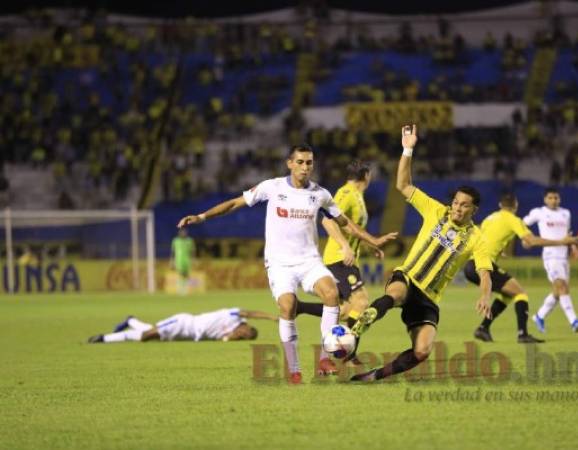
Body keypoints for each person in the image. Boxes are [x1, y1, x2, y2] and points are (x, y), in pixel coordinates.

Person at [177, 144, 397, 383]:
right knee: (287, 306)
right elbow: (234, 203)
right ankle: (294, 370)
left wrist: (372, 241)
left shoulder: (320, 194)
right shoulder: (272, 187)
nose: (305, 167)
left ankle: (324, 359)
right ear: (290, 163)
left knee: (331, 293)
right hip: (280, 264)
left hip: (309, 261)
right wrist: (201, 217)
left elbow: (344, 222)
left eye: (309, 163)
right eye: (300, 162)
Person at [350, 124, 493, 382]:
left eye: (464, 205)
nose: (457, 208)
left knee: (422, 351)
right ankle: (367, 318)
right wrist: (407, 149)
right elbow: (403, 184)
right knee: (396, 294)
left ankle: (374, 376)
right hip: (408, 277)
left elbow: (484, 272)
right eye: (456, 202)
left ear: (474, 210)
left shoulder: (477, 238)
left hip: (429, 298)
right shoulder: (436, 211)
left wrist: (485, 295)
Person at [464, 193, 578, 344]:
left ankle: (483, 329)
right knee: (521, 293)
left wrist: (498, 250)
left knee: (508, 294)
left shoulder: (491, 217)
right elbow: (531, 241)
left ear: (500, 205)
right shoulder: (513, 219)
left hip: (472, 265)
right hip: (484, 266)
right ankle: (522, 334)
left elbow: (481, 236)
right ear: (515, 206)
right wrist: (562, 241)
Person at [295, 160, 382, 329]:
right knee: (361, 302)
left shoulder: (357, 195)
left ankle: (300, 307)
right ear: (366, 176)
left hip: (347, 259)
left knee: (344, 310)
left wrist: (369, 247)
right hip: (339, 259)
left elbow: (351, 229)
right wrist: (345, 246)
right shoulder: (346, 193)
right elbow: (327, 221)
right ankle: (349, 349)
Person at [524, 188, 578, 333]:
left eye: (556, 198)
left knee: (559, 292)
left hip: (563, 256)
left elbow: (568, 235)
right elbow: (523, 224)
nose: (553, 200)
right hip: (550, 256)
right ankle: (574, 321)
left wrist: (574, 248)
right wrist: (527, 239)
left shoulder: (566, 213)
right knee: (562, 287)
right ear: (545, 199)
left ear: (560, 199)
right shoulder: (538, 212)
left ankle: (539, 316)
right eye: (550, 198)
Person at [87, 308, 277, 343]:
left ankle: (131, 321)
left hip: (186, 334)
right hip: (183, 323)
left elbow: (227, 339)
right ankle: (104, 338)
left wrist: (233, 337)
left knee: (150, 335)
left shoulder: (228, 334)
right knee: (147, 337)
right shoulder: (233, 316)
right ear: (245, 325)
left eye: (245, 337)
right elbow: (250, 312)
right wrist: (272, 317)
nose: (243, 335)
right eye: (246, 332)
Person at [170, 228, 195, 295]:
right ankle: (180, 290)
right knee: (180, 274)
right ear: (179, 233)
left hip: (187, 260)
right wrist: (172, 261)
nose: (183, 233)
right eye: (182, 232)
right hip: (178, 260)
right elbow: (173, 252)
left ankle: (185, 290)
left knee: (186, 275)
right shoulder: (176, 241)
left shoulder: (189, 241)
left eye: (185, 232)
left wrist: (193, 260)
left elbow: (192, 251)